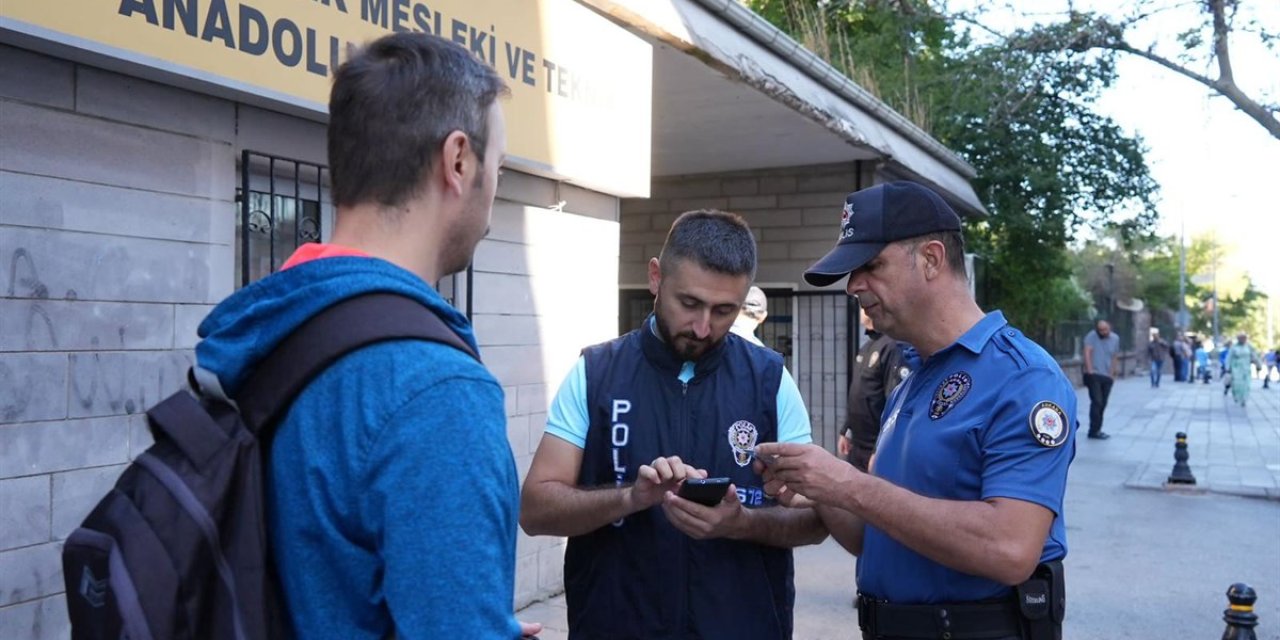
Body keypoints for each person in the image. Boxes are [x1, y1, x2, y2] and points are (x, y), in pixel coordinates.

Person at [193, 34, 537, 638]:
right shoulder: (435, 390)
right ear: (458, 161)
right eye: (498, 169)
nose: (493, 197)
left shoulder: (270, 326)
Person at [754, 181, 1077, 640]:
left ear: (930, 259)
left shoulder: (1023, 379)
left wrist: (852, 485)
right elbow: (876, 537)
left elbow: (1010, 548)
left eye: (871, 266)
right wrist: (822, 489)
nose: (854, 286)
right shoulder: (914, 375)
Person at [520, 210, 827, 639]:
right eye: (690, 304)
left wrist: (743, 524)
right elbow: (535, 510)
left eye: (724, 310)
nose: (703, 327)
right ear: (655, 278)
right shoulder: (596, 372)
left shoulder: (770, 379)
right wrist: (630, 497)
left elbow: (817, 519)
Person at [837, 306, 910, 472]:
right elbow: (859, 393)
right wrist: (846, 429)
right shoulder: (867, 347)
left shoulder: (892, 347)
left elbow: (895, 404)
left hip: (875, 447)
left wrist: (879, 451)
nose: (861, 308)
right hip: (858, 445)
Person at [1082, 319, 1120, 439]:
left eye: (1105, 330)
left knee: (1103, 403)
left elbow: (1114, 356)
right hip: (1094, 375)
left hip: (1107, 376)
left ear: (1110, 328)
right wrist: (1089, 370)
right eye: (1100, 330)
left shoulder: (1115, 338)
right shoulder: (1091, 336)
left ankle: (1098, 429)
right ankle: (1093, 430)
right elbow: (1087, 352)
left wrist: (1112, 374)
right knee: (1097, 402)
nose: (1103, 332)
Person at [1226, 333, 1262, 406]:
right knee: (1236, 384)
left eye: (1244, 338)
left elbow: (1254, 356)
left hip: (1246, 368)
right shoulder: (1234, 347)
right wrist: (1228, 367)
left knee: (1246, 384)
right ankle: (1236, 396)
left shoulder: (1249, 346)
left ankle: (1244, 399)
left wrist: (1258, 365)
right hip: (1236, 368)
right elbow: (1229, 357)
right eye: (1241, 338)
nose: (1243, 340)